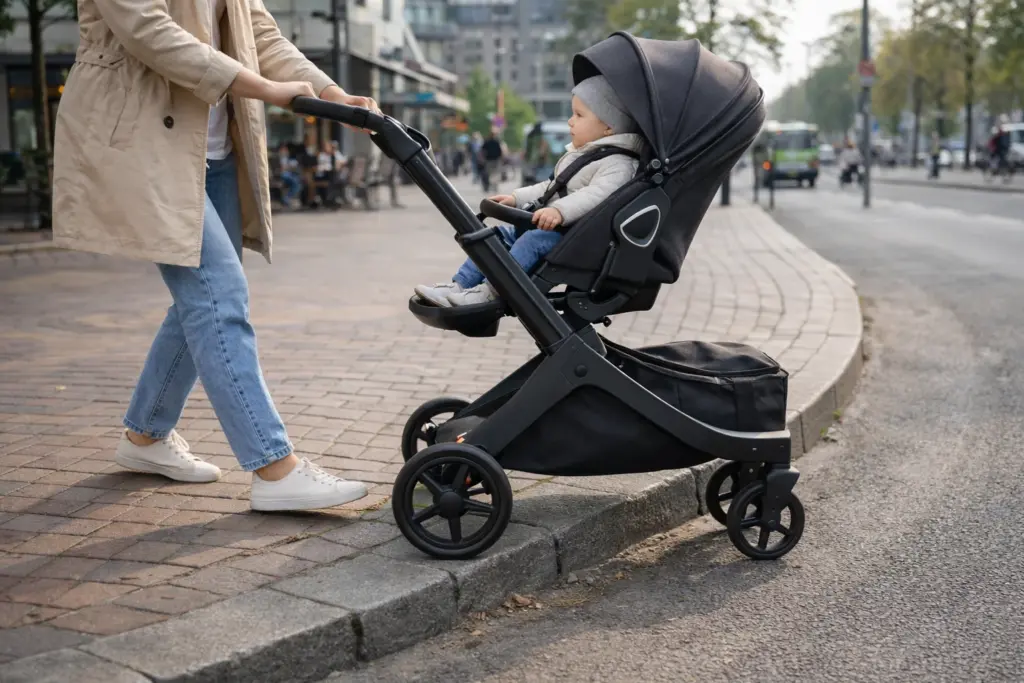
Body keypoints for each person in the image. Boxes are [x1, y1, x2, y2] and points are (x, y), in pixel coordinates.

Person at [52, 0, 383, 511]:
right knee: (218, 296)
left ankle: (145, 437)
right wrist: (266, 90)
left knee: (203, 299)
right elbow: (147, 31)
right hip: (144, 139)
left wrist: (330, 93)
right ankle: (274, 469)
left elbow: (259, 33)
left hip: (216, 147)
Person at [414, 75, 643, 308]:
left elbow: (597, 196)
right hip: (556, 230)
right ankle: (461, 284)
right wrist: (516, 198)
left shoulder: (619, 164)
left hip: (576, 238)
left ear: (608, 126)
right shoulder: (585, 156)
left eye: (579, 115)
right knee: (497, 237)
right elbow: (550, 187)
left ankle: (490, 293)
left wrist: (559, 211)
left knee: (530, 241)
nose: (570, 122)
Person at [276, 143, 302, 209]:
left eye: (286, 149)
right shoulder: (279, 158)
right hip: (283, 175)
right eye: (284, 149)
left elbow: (292, 166)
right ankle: (286, 199)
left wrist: (289, 167)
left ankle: (286, 199)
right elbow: (282, 168)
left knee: (298, 182)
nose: (285, 151)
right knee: (296, 182)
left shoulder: (288, 158)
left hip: (290, 174)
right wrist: (288, 167)